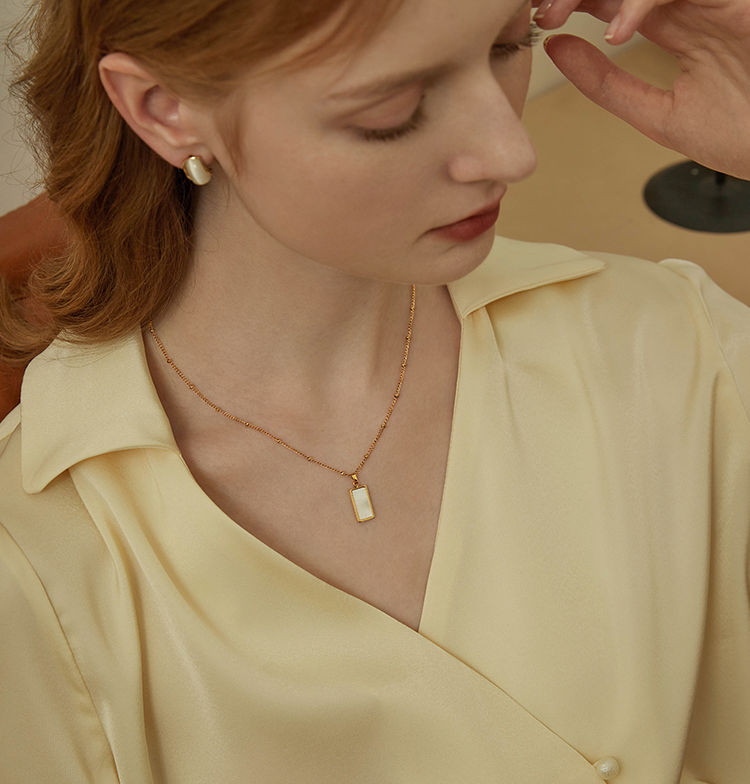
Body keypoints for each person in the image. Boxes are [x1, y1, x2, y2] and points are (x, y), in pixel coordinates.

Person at [0, 0, 748, 779]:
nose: (510, 150)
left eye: (508, 44)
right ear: (165, 109)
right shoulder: (38, 573)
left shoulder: (668, 345)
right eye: (394, 109)